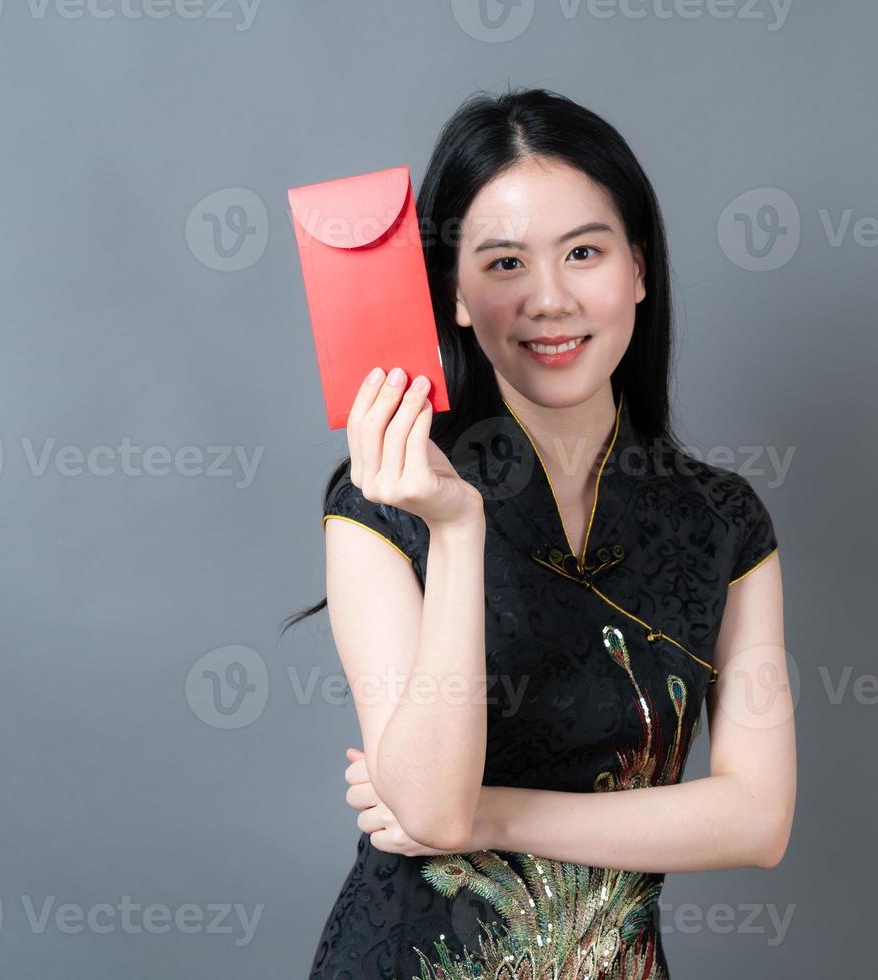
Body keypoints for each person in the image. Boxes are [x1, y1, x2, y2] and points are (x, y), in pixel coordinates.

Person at [283, 87, 795, 980]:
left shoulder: (723, 521)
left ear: (639, 269)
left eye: (584, 253)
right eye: (506, 264)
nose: (550, 301)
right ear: (454, 295)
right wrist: (453, 527)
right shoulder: (378, 504)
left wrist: (495, 815)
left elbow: (758, 819)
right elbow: (432, 810)